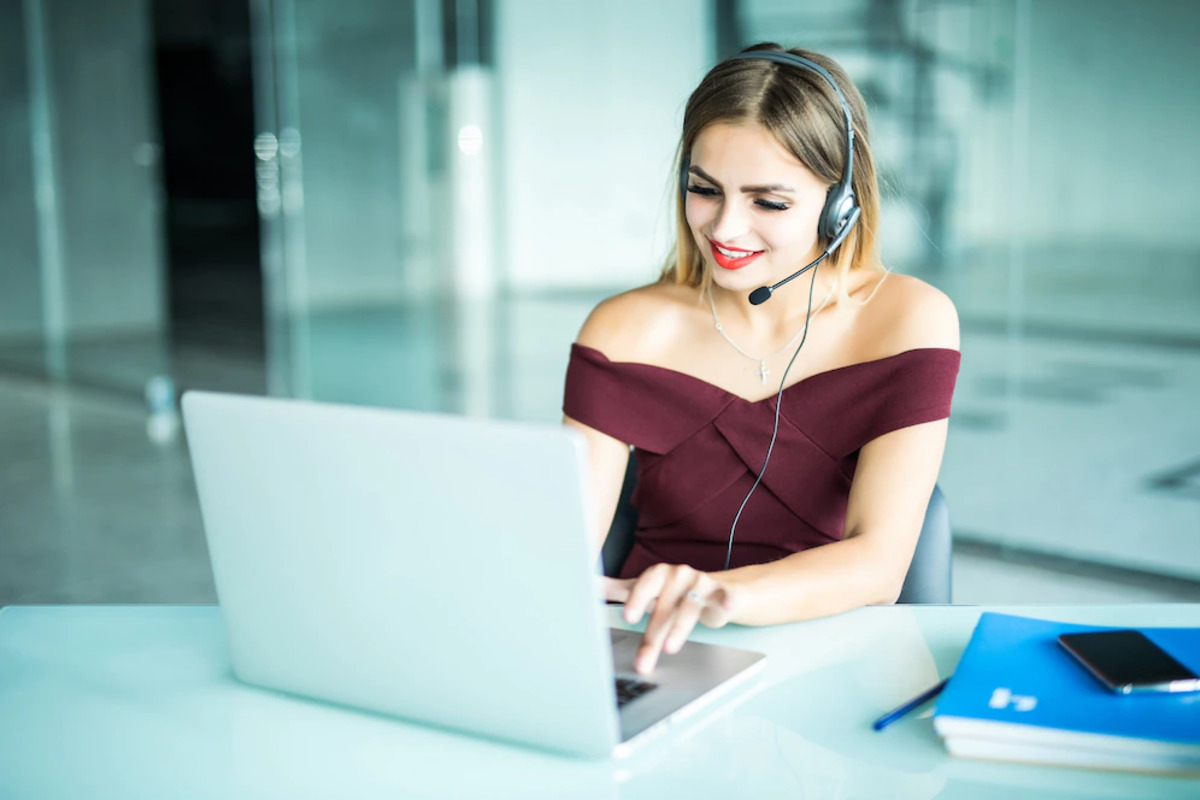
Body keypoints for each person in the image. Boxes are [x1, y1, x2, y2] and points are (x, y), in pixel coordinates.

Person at [562, 43, 960, 676]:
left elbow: (879, 564)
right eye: (704, 190)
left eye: (767, 202)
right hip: (650, 648)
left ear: (840, 205)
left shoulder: (907, 319)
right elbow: (562, 553)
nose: (724, 229)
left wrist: (721, 596)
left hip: (831, 656)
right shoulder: (625, 328)